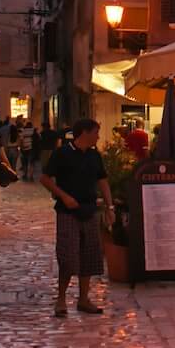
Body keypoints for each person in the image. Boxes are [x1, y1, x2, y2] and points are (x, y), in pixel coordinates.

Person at [40, 118, 112, 317]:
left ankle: (83, 298)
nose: (98, 136)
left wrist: (109, 205)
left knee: (89, 255)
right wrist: (63, 195)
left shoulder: (94, 155)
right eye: (96, 132)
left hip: (89, 210)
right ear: (85, 133)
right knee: (68, 256)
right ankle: (61, 299)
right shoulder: (62, 153)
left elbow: (102, 179)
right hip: (67, 211)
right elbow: (45, 178)